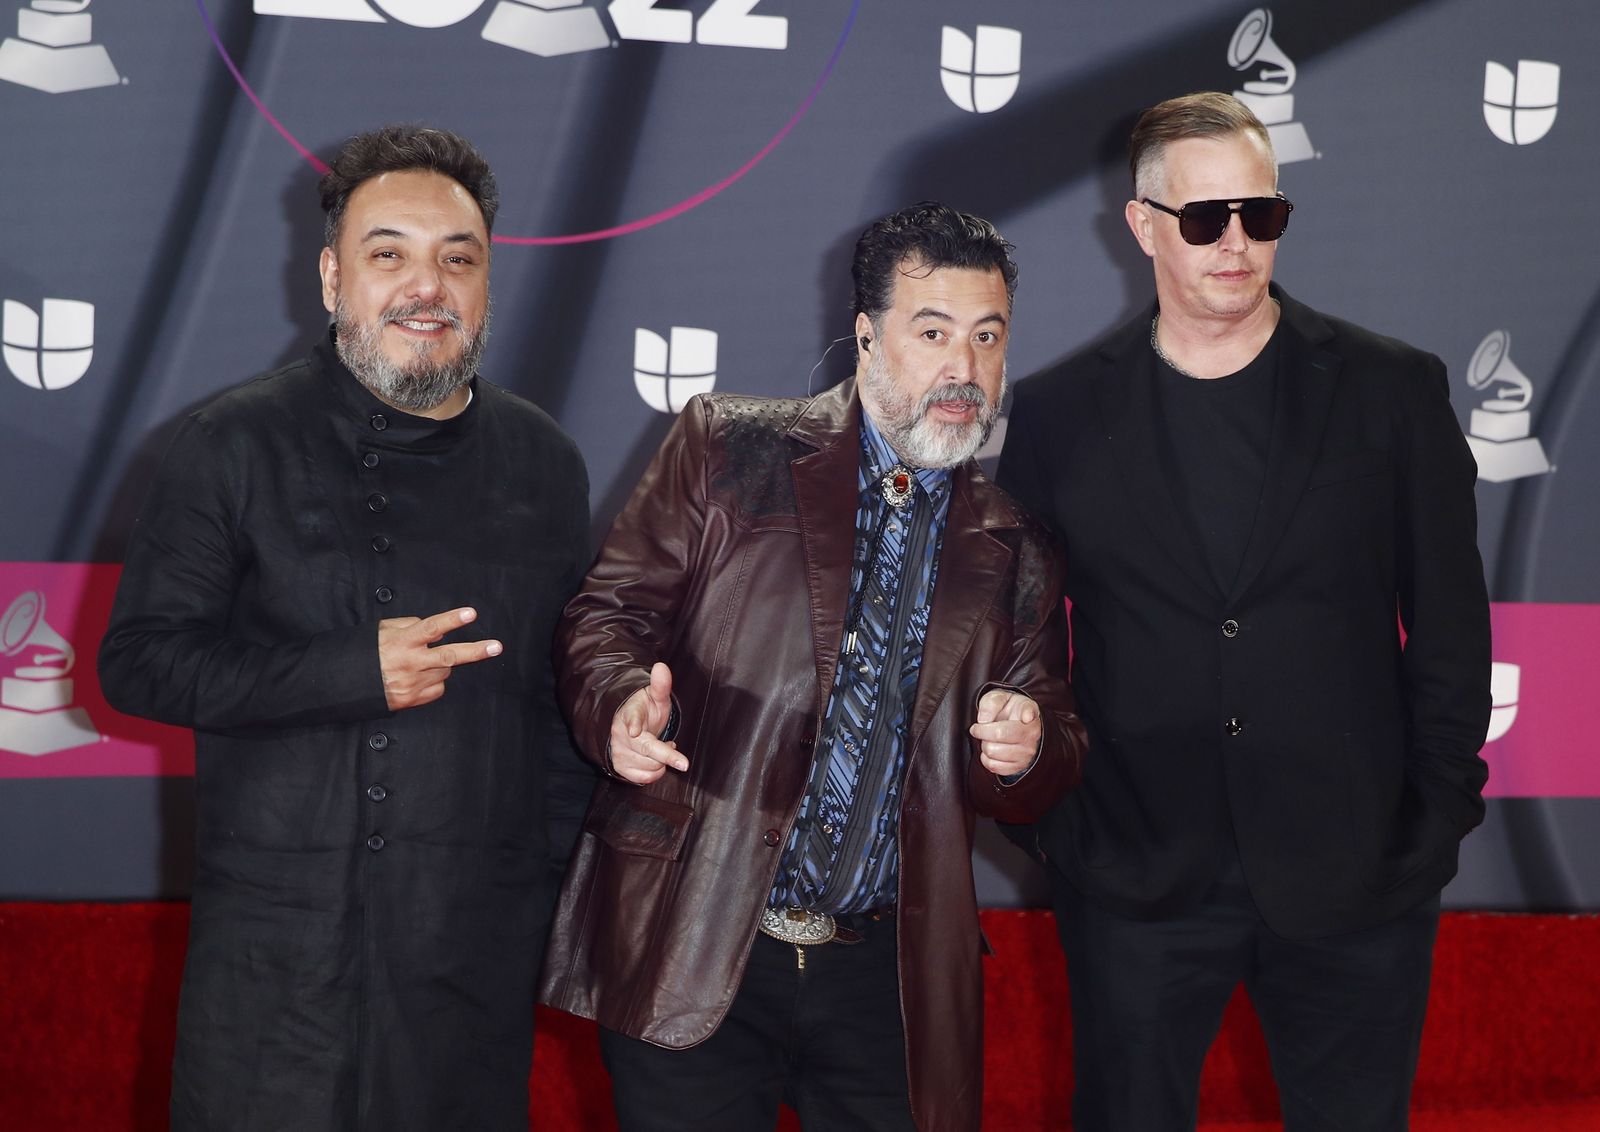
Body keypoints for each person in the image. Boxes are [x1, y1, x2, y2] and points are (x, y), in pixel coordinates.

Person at [996, 92, 1492, 1131]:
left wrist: (1432, 823)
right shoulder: (1054, 414)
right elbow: (1017, 641)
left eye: (1259, 215)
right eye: (1204, 217)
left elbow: (1450, 623)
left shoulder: (1390, 391)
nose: (1235, 243)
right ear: (1141, 226)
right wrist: (1060, 827)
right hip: (1133, 875)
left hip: (1358, 876)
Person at [540, 202, 1087, 1132]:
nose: (963, 368)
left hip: (889, 981)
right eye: (933, 331)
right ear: (868, 339)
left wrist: (1028, 746)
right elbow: (608, 616)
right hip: (701, 933)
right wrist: (621, 701)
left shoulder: (1017, 545)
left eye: (987, 336)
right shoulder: (726, 446)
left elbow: (1047, 751)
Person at [98, 125, 593, 1132]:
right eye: (389, 255)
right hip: (280, 972)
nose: (428, 286)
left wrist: (554, 911)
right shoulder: (230, 441)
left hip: (467, 965)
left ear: (487, 281)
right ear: (331, 279)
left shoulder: (545, 461)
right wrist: (345, 671)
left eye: (458, 258)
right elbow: (139, 663)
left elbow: (555, 713)